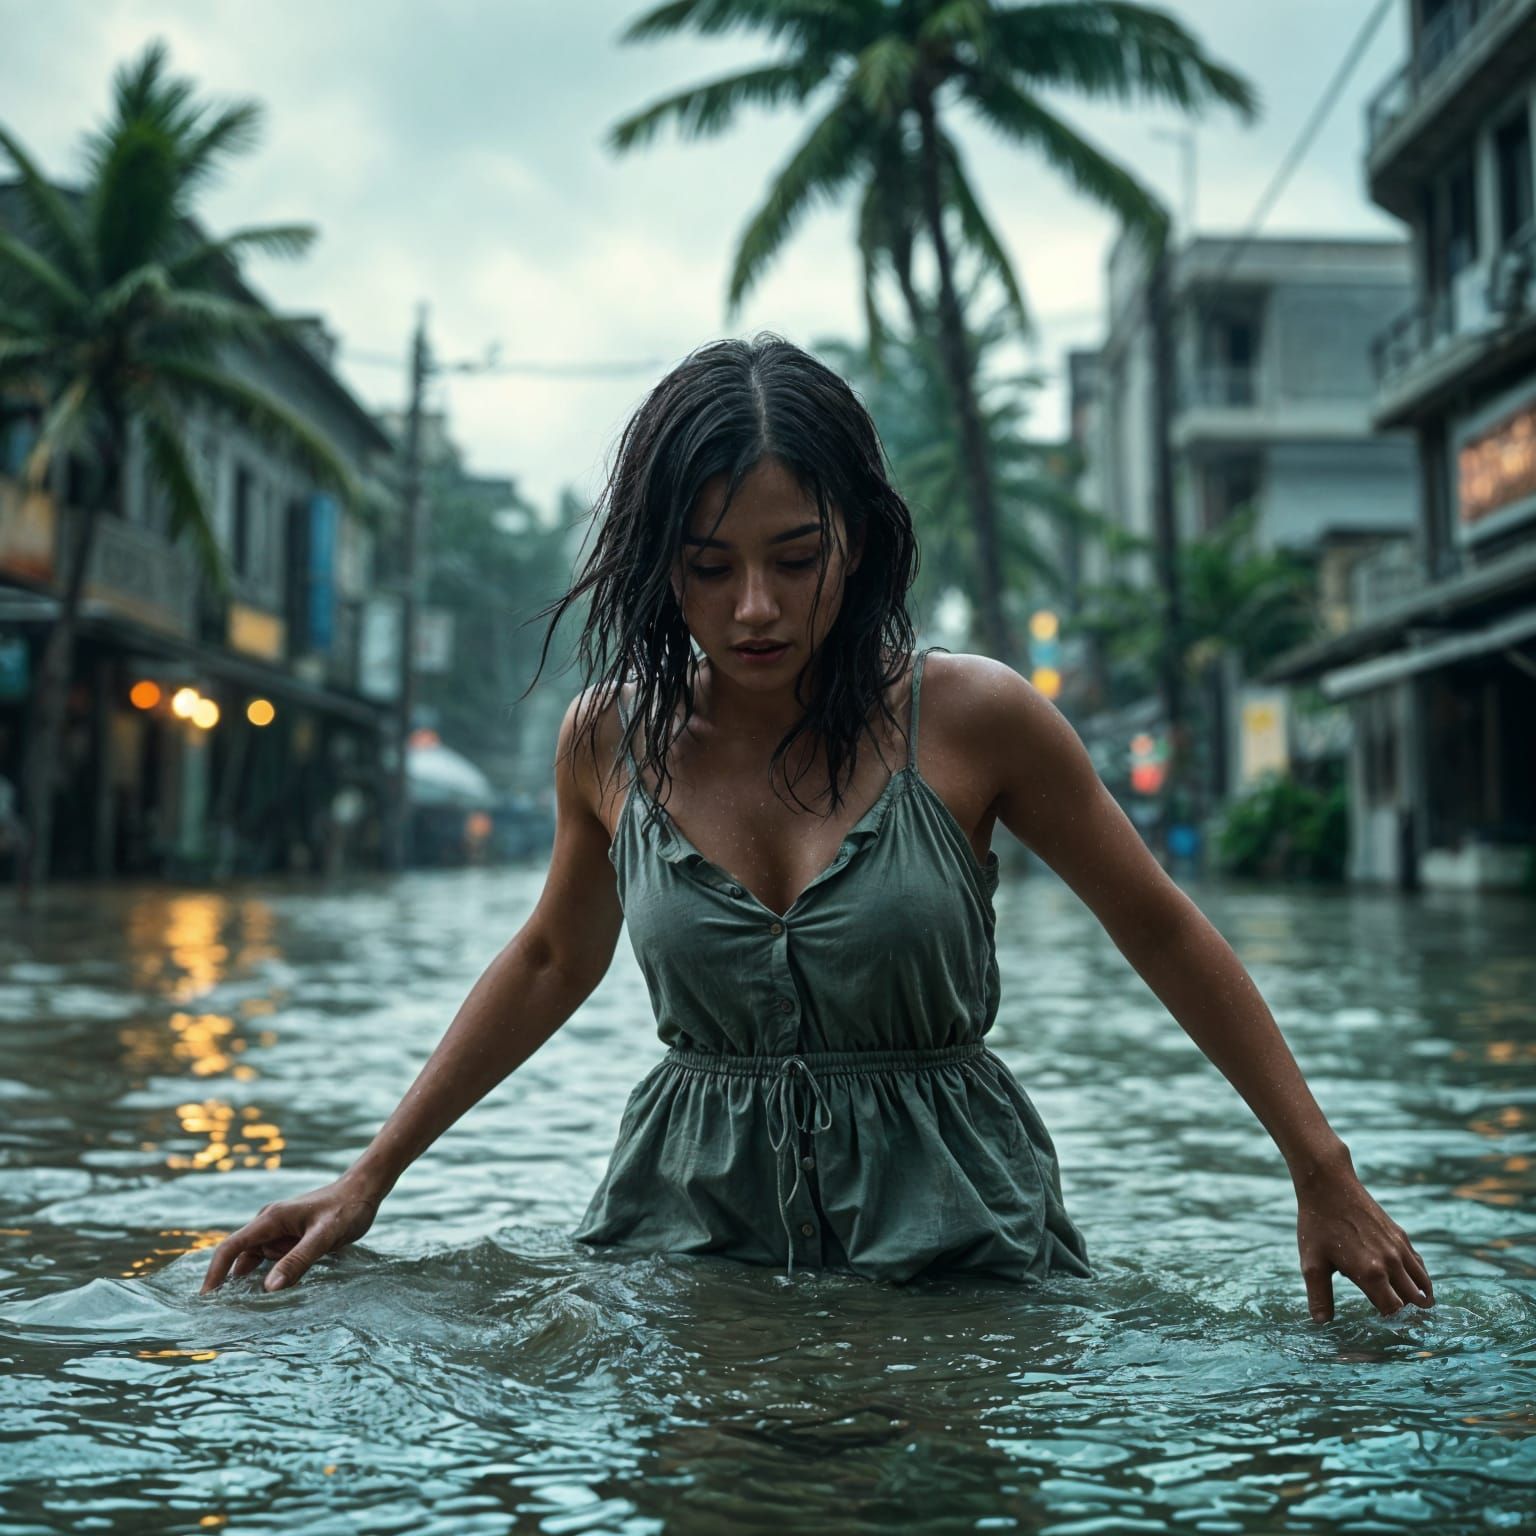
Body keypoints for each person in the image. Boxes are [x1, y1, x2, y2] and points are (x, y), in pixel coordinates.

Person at [200, 334, 1434, 1324]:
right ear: (655, 571)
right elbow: (547, 960)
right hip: (685, 1243)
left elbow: (1161, 930)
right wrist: (369, 1180)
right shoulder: (608, 740)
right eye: (705, 567)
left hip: (962, 1249)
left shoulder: (975, 719)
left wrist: (1319, 1168)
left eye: (796, 558)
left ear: (860, 538)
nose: (753, 608)